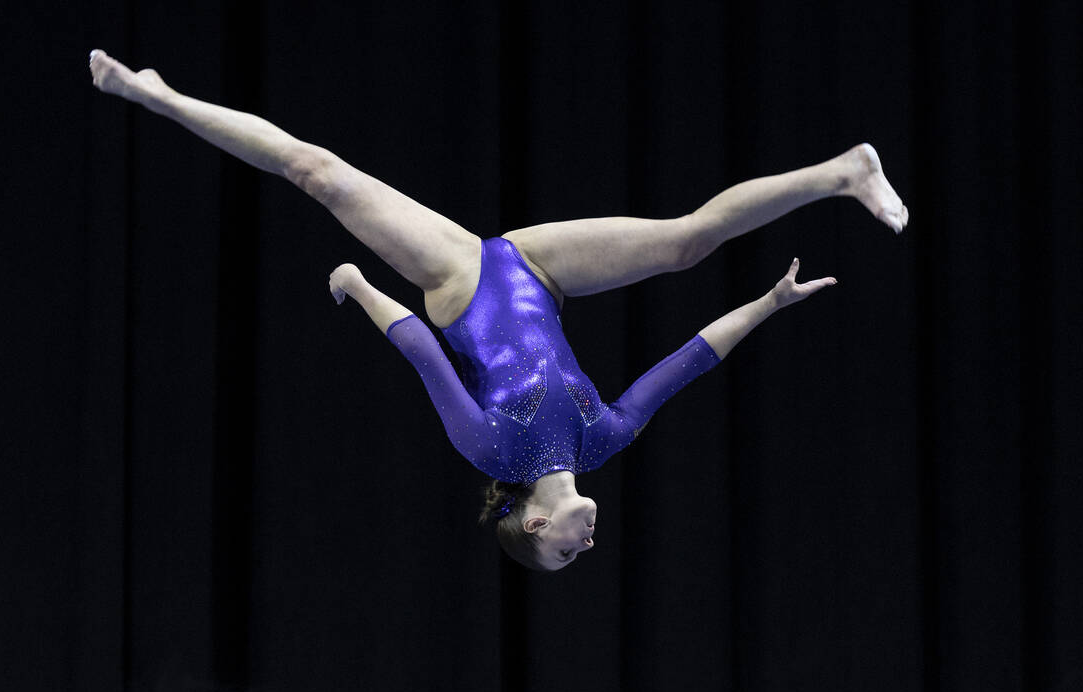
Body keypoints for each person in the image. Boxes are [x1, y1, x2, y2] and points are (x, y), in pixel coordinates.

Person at [88, 49, 908, 572]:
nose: (584, 545)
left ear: (531, 521)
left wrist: (359, 284)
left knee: (319, 174)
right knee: (685, 244)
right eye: (577, 553)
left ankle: (161, 97)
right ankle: (840, 173)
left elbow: (421, 352)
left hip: (461, 281)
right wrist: (767, 302)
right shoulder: (603, 436)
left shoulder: (492, 449)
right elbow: (691, 359)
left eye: (562, 552)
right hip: (542, 276)